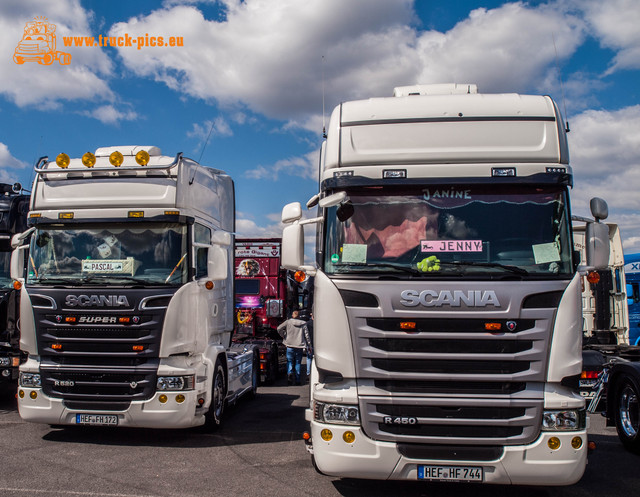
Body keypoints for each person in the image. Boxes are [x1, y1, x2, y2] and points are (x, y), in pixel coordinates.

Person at [277, 309, 308, 385]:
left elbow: (278, 328)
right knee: (298, 363)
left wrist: (284, 335)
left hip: (289, 345)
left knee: (290, 361)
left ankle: (289, 374)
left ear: (292, 315)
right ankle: (297, 379)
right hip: (299, 346)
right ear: (299, 316)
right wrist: (308, 345)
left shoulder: (288, 322)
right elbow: (307, 335)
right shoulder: (303, 323)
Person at [304, 312, 314, 378]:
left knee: (309, 358)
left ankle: (308, 373)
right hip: (317, 343)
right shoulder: (320, 323)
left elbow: (306, 334)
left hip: (309, 343)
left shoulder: (307, 324)